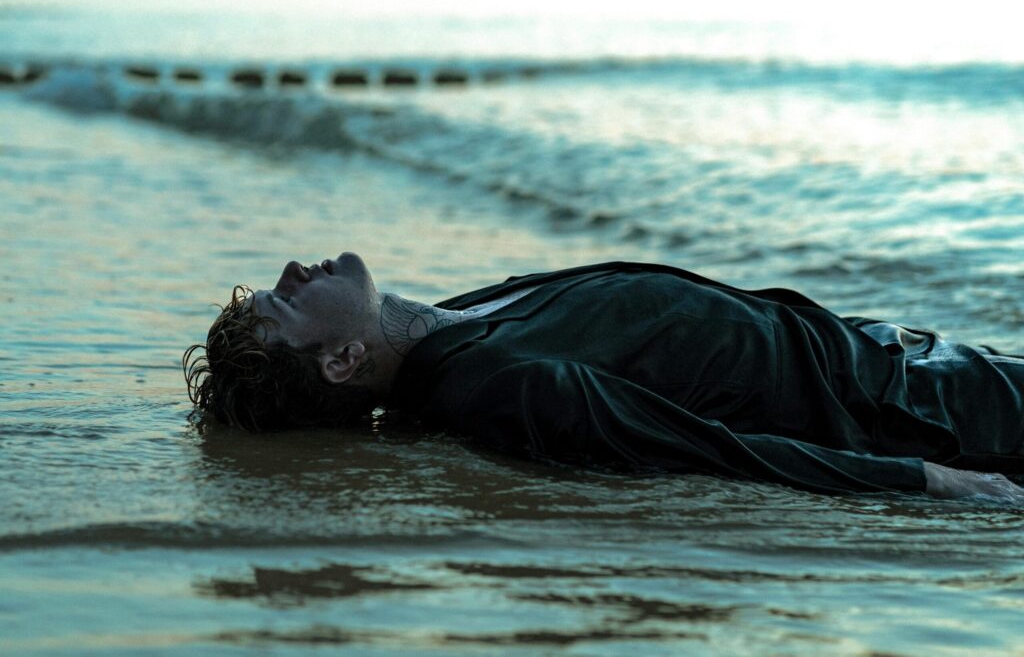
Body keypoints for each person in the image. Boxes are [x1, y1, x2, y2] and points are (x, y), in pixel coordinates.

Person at [183, 253, 1024, 501]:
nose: (292, 267)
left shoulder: (453, 318)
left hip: (912, 359)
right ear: (341, 361)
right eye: (283, 305)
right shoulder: (498, 387)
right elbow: (714, 453)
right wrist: (928, 481)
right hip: (932, 411)